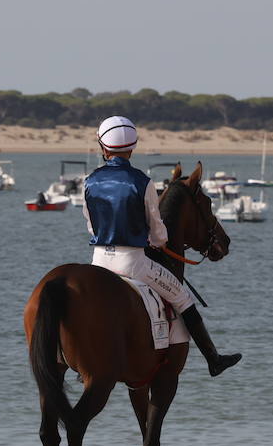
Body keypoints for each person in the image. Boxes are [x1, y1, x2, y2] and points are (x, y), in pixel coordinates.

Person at [82, 116, 241, 377]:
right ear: (132, 147)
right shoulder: (143, 182)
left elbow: (91, 226)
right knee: (182, 298)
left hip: (98, 261)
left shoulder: (89, 180)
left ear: (103, 147)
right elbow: (157, 232)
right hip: (133, 262)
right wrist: (156, 242)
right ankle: (213, 360)